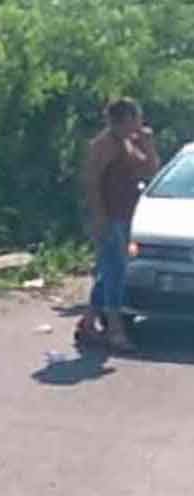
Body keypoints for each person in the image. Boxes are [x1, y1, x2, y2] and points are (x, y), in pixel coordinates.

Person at [77, 97, 160, 350]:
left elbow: (150, 169)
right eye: (136, 118)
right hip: (110, 217)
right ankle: (114, 329)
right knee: (115, 273)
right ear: (124, 119)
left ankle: (88, 322)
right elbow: (91, 182)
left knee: (106, 272)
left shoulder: (128, 143)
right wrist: (99, 217)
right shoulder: (104, 145)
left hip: (125, 216)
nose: (140, 123)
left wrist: (148, 143)